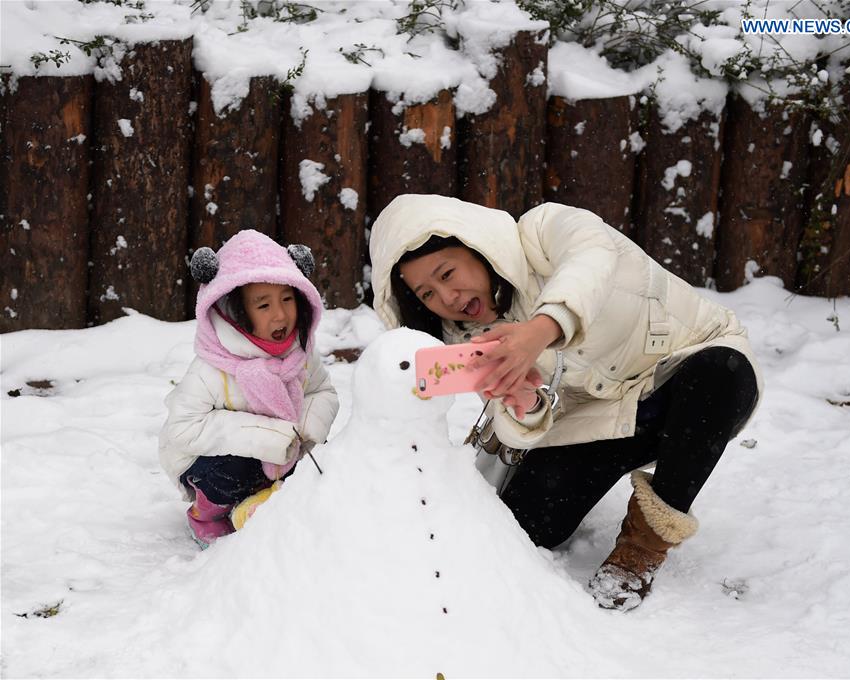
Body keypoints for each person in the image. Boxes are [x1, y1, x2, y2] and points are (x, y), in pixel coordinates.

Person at [369, 194, 762, 611]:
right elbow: (515, 421)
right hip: (604, 417)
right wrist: (525, 406)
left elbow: (592, 258)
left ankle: (642, 549)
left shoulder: (542, 230)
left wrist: (540, 330)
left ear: (478, 248)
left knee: (722, 373)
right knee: (529, 525)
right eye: (427, 293)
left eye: (447, 273)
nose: (447, 297)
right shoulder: (465, 337)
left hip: (687, 369)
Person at [159, 230, 339, 549]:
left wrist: (305, 431)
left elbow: (321, 392)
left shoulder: (301, 356)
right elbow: (182, 429)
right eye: (263, 305)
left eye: (287, 299)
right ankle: (207, 514)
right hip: (206, 461)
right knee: (236, 468)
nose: (280, 314)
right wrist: (269, 437)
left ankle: (259, 503)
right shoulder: (212, 369)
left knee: (319, 462)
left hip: (279, 452)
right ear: (237, 311)